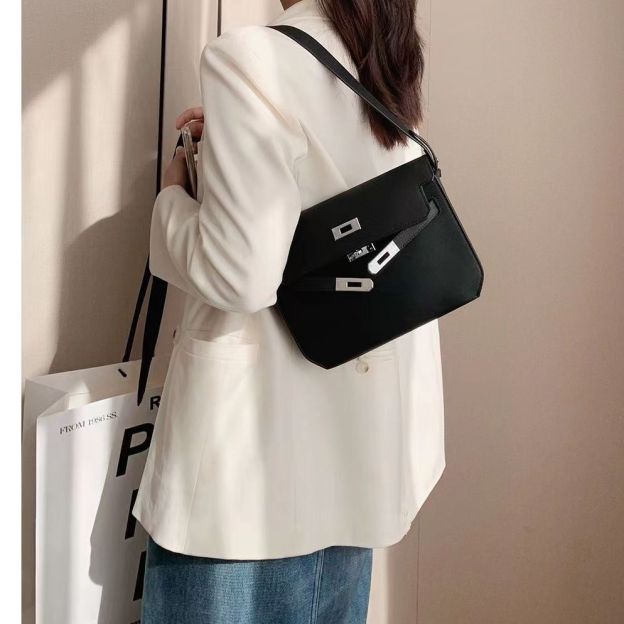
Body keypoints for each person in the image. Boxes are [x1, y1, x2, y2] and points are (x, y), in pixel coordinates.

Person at [133, 1, 444, 622]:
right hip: (358, 462)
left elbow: (239, 275)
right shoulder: (385, 66)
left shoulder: (248, 59)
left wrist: (171, 198)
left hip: (249, 482)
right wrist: (228, 147)